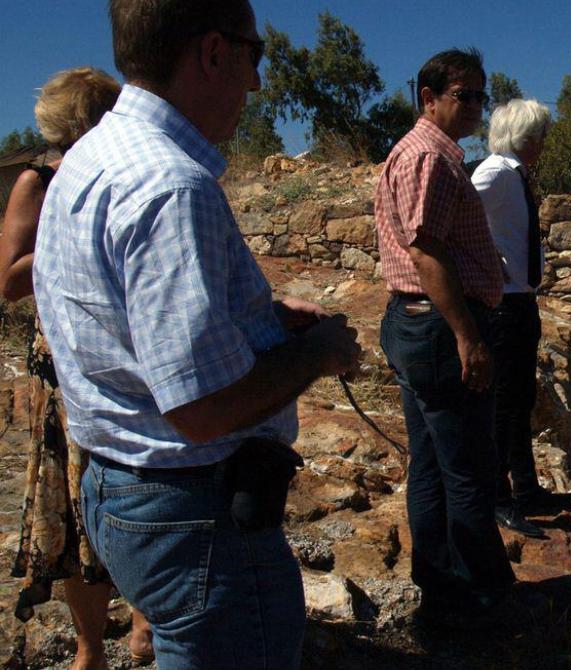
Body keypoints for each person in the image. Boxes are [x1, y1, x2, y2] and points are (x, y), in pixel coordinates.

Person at [33, 1, 362, 667]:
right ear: (213, 53)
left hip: (120, 489)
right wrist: (316, 353)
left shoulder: (93, 156)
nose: (258, 84)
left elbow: (126, 326)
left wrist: (262, 323)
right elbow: (200, 407)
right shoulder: (170, 186)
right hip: (195, 513)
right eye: (254, 57)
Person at [1, 66, 154, 670]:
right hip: (62, 363)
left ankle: (145, 625)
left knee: (139, 490)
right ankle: (90, 647)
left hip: (123, 353)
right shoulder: (38, 184)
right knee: (69, 512)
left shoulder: (121, 174)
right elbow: (9, 280)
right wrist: (73, 233)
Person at [375, 48, 515, 623]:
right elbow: (426, 251)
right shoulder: (429, 158)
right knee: (467, 472)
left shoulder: (425, 154)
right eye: (466, 95)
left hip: (420, 324)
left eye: (483, 94)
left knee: (431, 466)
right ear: (428, 98)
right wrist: (467, 336)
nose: (477, 105)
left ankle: (441, 590)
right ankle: (480, 599)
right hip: (438, 328)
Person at [470, 100, 571, 539]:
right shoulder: (494, 172)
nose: (542, 144)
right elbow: (457, 211)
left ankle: (527, 489)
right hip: (502, 306)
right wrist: (483, 258)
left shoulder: (514, 173)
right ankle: (498, 498)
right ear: (521, 136)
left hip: (521, 300)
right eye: (538, 136)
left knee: (519, 400)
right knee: (502, 405)